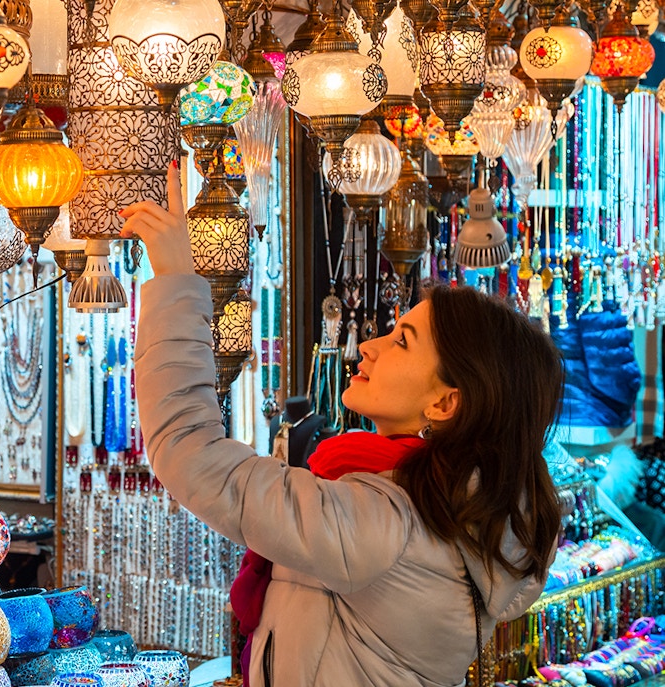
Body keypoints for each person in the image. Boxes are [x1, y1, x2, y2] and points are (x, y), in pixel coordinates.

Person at [121, 164, 563, 687]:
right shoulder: (444, 506)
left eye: (401, 341)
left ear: (445, 403)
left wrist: (175, 281)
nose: (371, 344)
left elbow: (192, 454)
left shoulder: (384, 523)